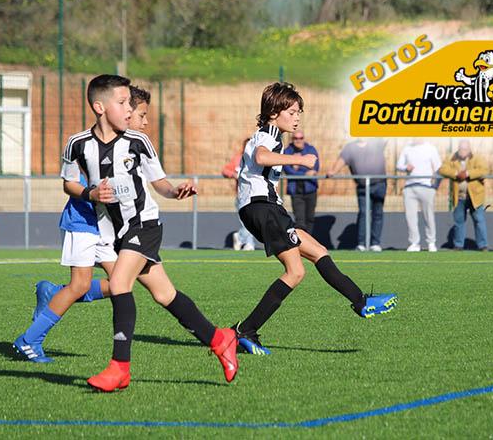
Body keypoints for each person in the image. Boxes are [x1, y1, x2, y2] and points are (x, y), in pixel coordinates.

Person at [60, 76, 238, 390]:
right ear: (99, 107)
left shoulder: (138, 142)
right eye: (122, 103)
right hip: (116, 232)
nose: (129, 110)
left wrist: (175, 192)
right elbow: (68, 183)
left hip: (144, 224)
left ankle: (119, 368)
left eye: (130, 104)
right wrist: (90, 194)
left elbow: (160, 184)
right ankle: (220, 339)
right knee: (164, 294)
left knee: (119, 283)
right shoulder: (78, 144)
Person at [233, 82, 396, 356]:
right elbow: (261, 156)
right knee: (295, 272)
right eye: (292, 112)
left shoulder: (272, 135)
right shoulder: (269, 133)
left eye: (299, 112)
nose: (297, 117)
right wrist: (298, 160)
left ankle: (361, 301)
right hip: (262, 207)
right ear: (273, 112)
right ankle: (245, 332)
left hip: (266, 208)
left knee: (318, 250)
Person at [326, 139, 387, 252]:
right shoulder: (350, 147)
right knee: (363, 213)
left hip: (379, 184)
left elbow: (386, 136)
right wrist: (333, 171)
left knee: (378, 213)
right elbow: (342, 160)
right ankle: (361, 244)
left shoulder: (376, 142)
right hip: (362, 186)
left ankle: (375, 244)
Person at [439, 140, 488, 251]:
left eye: (465, 149)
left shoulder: (477, 158)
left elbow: (484, 170)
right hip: (459, 196)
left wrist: (468, 174)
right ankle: (458, 245)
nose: (462, 152)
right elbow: (442, 169)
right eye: (461, 149)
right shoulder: (452, 158)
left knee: (479, 220)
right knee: (459, 221)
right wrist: (456, 173)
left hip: (475, 197)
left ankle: (483, 245)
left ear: (469, 149)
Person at [397, 140, 441, 252]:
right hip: (410, 187)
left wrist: (434, 187)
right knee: (410, 217)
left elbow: (438, 168)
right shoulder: (407, 148)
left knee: (429, 216)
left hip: (426, 187)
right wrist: (405, 167)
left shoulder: (431, 148)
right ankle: (414, 243)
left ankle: (431, 242)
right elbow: (399, 165)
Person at [222, 138, 256, 251]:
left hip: (255, 194)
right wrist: (234, 174)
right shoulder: (238, 159)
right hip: (242, 195)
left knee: (253, 220)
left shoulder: (258, 159)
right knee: (246, 220)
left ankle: (241, 237)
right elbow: (225, 170)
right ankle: (248, 243)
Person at [283, 132, 319, 233]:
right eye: (295, 138)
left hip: (310, 188)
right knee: (300, 221)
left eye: (300, 138)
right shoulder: (287, 151)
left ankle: (309, 240)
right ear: (292, 139)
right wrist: (304, 170)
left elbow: (315, 167)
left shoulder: (311, 150)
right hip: (296, 191)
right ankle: (301, 241)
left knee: (310, 218)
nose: (298, 140)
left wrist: (297, 165)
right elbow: (288, 170)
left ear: (304, 138)